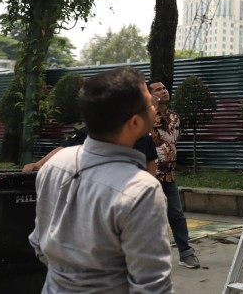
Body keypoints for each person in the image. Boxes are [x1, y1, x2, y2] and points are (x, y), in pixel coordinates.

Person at [28, 66, 173, 293]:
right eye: (150, 103)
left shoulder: (55, 165)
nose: (155, 107)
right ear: (134, 123)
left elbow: (38, 244)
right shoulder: (140, 190)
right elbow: (152, 286)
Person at [149, 79, 200, 269]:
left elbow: (173, 141)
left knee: (177, 215)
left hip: (168, 176)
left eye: (164, 88)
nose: (164, 91)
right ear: (149, 94)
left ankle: (186, 253)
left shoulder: (174, 117)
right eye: (158, 89)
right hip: (148, 175)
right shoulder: (144, 116)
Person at [23, 122, 158, 176]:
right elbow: (64, 148)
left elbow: (150, 165)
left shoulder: (144, 135)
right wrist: (39, 164)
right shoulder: (91, 131)